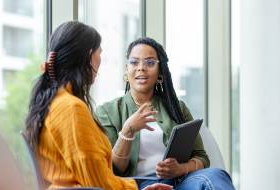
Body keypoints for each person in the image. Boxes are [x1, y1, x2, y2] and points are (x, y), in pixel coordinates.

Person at [24, 21, 172, 190]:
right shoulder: (71, 109)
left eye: (150, 63)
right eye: (100, 53)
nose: (141, 69)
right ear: (89, 57)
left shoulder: (55, 102)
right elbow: (97, 183)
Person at [95, 37, 235, 189]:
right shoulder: (107, 112)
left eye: (149, 63)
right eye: (134, 62)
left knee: (215, 175)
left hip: (179, 182)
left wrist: (180, 169)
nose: (141, 68)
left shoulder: (177, 108)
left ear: (160, 71)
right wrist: (128, 130)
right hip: (135, 185)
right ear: (126, 69)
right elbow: (113, 169)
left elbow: (201, 157)